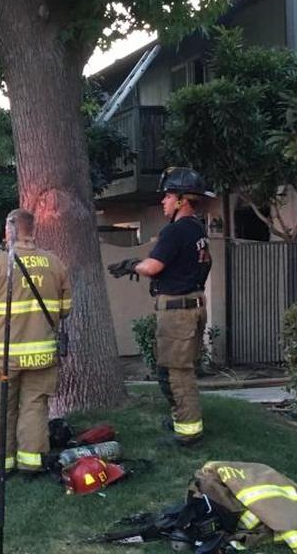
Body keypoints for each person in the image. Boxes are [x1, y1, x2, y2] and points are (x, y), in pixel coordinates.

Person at [108, 166, 215, 446]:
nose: (163, 201)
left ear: (182, 200)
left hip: (178, 312)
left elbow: (154, 266)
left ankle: (188, 433)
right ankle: (181, 416)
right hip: (193, 306)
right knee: (174, 368)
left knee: (177, 371)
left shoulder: (176, 231)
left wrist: (132, 265)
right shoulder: (197, 229)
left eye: (168, 196)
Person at [0, 209, 71, 478]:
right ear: (33, 230)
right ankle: (31, 465)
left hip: (4, 357)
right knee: (35, 408)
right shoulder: (55, 263)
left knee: (1, 410)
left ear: (9, 230)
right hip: (42, 357)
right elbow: (65, 309)